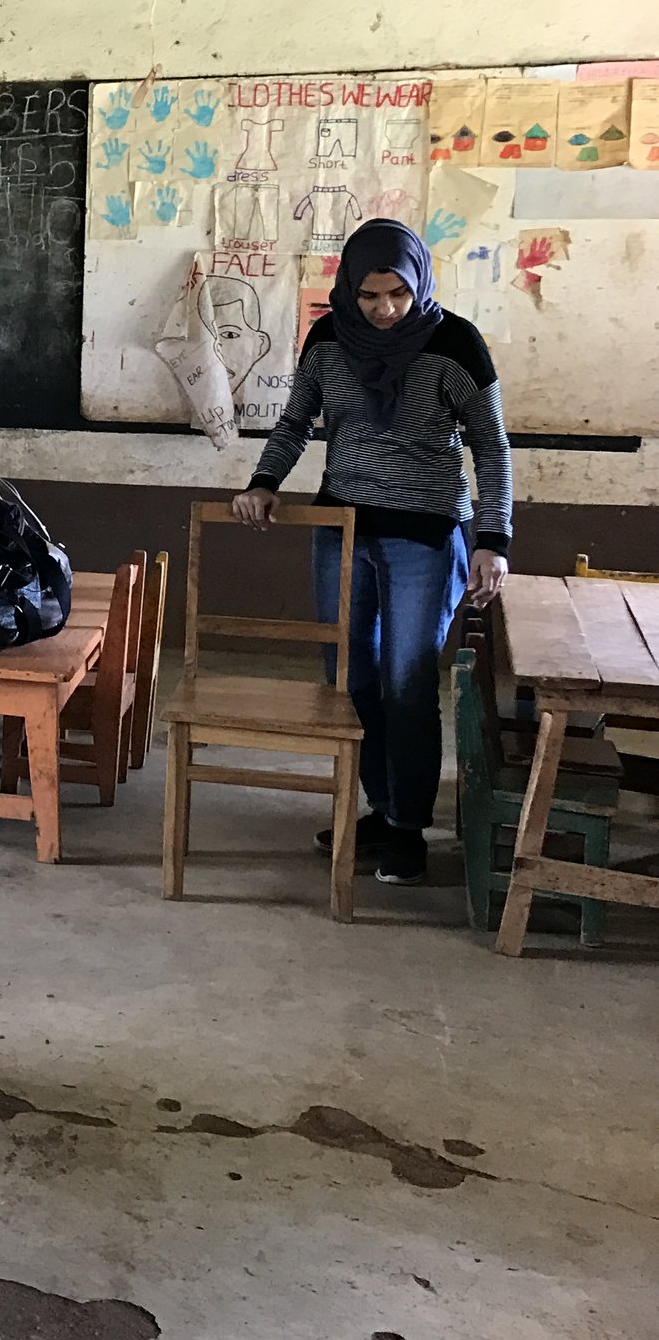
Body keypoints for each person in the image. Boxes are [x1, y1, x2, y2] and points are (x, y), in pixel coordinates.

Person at [232, 218, 510, 886]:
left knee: (407, 682)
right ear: (349, 288)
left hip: (427, 532)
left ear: (419, 285)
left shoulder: (457, 345)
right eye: (370, 296)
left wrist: (492, 541)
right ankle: (381, 810)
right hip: (344, 526)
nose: (386, 310)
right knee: (350, 678)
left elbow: (491, 448)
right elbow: (296, 421)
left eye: (399, 295)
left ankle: (408, 828)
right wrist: (263, 482)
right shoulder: (328, 340)